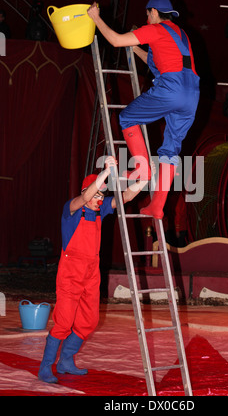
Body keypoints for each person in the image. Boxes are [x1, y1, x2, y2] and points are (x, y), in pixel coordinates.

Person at [87, 0, 200, 220]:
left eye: (147, 13)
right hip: (192, 94)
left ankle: (143, 169)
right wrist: (136, 46)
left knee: (128, 118)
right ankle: (157, 206)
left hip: (172, 89)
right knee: (170, 150)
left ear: (154, 12)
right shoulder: (181, 35)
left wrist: (96, 19)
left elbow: (117, 40)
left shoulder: (157, 29)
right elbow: (156, 59)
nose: (147, 18)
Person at [38, 156, 149, 384]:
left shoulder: (100, 210)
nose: (99, 199)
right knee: (64, 321)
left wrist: (145, 180)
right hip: (70, 273)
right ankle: (46, 366)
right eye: (96, 194)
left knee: (88, 320)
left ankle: (66, 361)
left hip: (91, 273)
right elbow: (86, 197)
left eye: (101, 196)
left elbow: (125, 197)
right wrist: (105, 173)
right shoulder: (70, 210)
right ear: (87, 190)